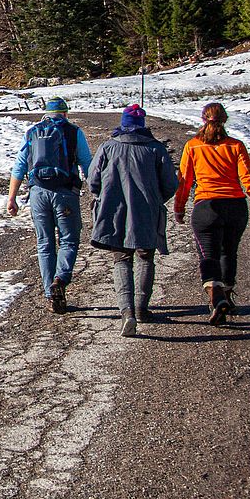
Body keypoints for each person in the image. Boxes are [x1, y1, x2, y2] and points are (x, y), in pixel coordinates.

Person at [87, 104, 178, 337]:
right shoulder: (156, 149)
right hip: (146, 210)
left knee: (121, 258)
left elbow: (93, 179)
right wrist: (156, 199)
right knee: (146, 255)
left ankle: (127, 312)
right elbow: (170, 183)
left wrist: (103, 196)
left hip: (114, 209)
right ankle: (141, 308)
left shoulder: (108, 146)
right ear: (142, 125)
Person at [173, 102, 250, 325]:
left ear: (203, 119)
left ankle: (216, 296)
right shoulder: (236, 146)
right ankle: (226, 294)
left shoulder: (193, 146)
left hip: (206, 206)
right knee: (229, 252)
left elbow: (184, 181)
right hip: (235, 205)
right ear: (224, 120)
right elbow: (248, 178)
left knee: (208, 254)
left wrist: (179, 207)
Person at [7, 97, 92, 313]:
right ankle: (60, 280)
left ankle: (49, 294)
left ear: (45, 113)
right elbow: (87, 165)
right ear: (65, 114)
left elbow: (19, 167)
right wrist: (99, 192)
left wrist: (12, 198)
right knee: (68, 240)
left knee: (44, 243)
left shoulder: (32, 132)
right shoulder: (73, 132)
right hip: (65, 193)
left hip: (37, 194)